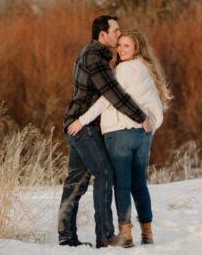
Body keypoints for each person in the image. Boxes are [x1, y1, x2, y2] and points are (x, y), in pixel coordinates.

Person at [68, 30, 172, 247]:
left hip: (119, 134)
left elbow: (107, 100)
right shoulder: (146, 70)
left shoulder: (123, 69)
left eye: (127, 46)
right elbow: (156, 106)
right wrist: (150, 127)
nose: (122, 49)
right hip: (143, 137)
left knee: (122, 186)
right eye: (121, 45)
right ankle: (147, 232)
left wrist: (82, 121)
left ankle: (125, 234)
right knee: (140, 185)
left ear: (136, 49)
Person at [58, 15, 152, 248]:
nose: (119, 35)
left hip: (80, 125)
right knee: (106, 174)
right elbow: (114, 95)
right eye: (116, 31)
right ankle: (105, 236)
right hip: (83, 127)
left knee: (76, 181)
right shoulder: (95, 59)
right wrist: (141, 117)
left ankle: (66, 236)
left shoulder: (93, 54)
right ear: (103, 35)